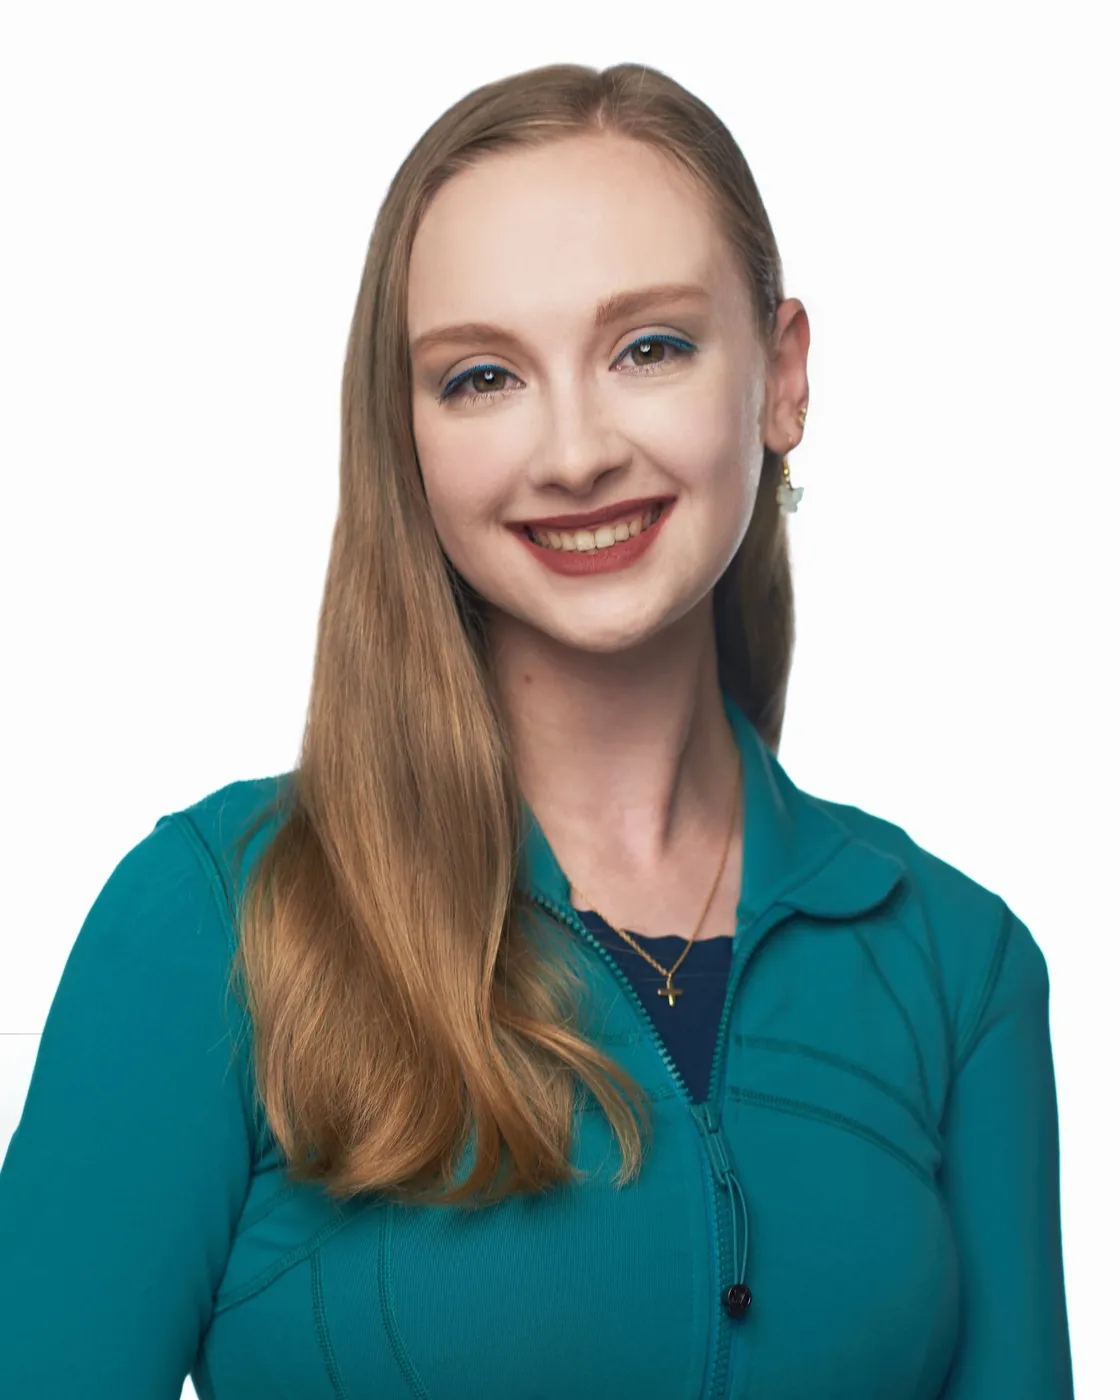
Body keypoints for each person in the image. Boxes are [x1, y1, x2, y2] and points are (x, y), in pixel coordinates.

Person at [0, 61, 1074, 1399]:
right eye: (483, 376)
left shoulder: (957, 969)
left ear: (782, 377)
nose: (573, 453)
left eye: (650, 349)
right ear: (407, 433)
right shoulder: (218, 919)